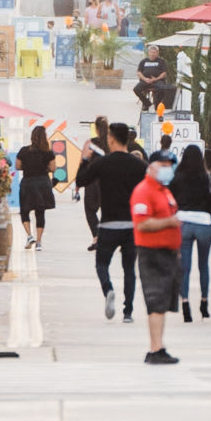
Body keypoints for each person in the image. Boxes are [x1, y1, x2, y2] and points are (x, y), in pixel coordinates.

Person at [75, 122, 143, 324]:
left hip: (108, 224)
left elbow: (81, 180)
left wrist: (86, 159)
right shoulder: (138, 165)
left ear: (111, 139)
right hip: (131, 225)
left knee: (102, 263)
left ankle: (108, 289)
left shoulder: (103, 163)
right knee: (129, 268)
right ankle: (128, 312)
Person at [129, 147, 182, 365]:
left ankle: (159, 345)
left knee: (163, 303)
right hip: (152, 253)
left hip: (168, 253)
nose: (167, 170)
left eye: (170, 166)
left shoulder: (164, 190)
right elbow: (142, 223)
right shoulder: (144, 191)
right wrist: (169, 223)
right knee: (156, 300)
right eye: (163, 166)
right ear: (151, 167)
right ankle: (154, 348)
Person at [169, 142, 211, 321]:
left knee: (184, 267)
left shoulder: (177, 178)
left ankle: (185, 303)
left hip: (183, 222)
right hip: (204, 222)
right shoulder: (208, 178)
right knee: (203, 265)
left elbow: (169, 201)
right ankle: (204, 303)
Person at [14, 126, 58, 250]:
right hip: (43, 183)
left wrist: (28, 166)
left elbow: (17, 166)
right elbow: (53, 168)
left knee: (25, 211)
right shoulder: (48, 152)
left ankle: (29, 236)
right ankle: (39, 242)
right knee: (40, 212)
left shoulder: (24, 151)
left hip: (28, 182)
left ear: (32, 137)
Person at [134, 43, 172, 113]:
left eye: (154, 52)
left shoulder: (161, 62)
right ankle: (147, 104)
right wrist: (145, 79)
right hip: (145, 80)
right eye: (151, 52)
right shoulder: (143, 61)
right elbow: (139, 72)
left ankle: (157, 105)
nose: (153, 54)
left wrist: (156, 79)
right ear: (148, 52)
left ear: (157, 53)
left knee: (162, 89)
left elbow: (164, 73)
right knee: (136, 89)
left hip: (157, 80)